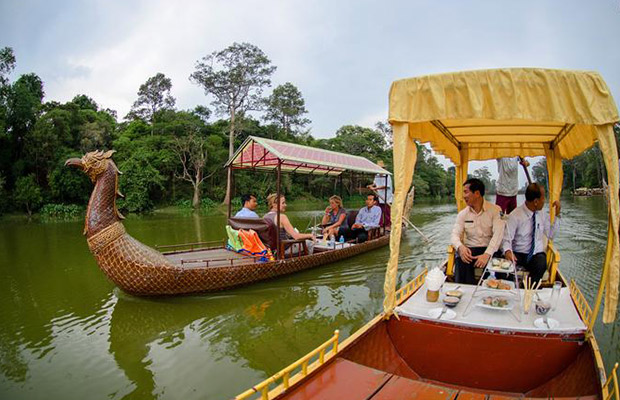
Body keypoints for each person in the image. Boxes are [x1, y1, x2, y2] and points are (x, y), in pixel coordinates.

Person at [502, 183, 561, 284]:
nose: (544, 201)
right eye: (543, 198)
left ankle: (528, 290)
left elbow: (551, 235)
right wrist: (507, 251)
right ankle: (510, 288)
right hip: (518, 253)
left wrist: (557, 215)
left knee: (541, 263)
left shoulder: (542, 214)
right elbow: (506, 239)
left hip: (535, 254)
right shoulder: (515, 216)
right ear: (536, 201)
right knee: (504, 265)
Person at [451, 178, 505, 284]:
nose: (463, 196)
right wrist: (460, 247)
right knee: (461, 258)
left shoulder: (495, 210)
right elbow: (454, 235)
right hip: (471, 250)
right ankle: (464, 291)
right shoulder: (463, 214)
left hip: (491, 250)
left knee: (498, 264)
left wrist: (487, 254)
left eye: (466, 192)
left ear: (477, 193)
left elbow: (498, 235)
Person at [367, 160, 393, 228]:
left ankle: (388, 225)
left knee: (387, 212)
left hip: (386, 197)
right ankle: (380, 224)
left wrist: (375, 189)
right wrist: (371, 185)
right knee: (379, 211)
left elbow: (385, 186)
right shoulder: (377, 175)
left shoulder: (387, 175)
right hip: (379, 196)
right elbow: (375, 183)